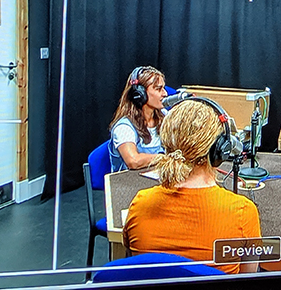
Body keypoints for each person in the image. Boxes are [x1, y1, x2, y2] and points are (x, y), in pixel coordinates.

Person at [123, 99, 261, 274]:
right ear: (219, 150)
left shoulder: (140, 204)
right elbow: (248, 281)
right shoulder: (243, 212)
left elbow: (129, 267)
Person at [108, 66, 168, 172]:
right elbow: (133, 161)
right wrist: (166, 158)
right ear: (140, 94)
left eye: (163, 88)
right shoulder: (124, 127)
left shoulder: (164, 115)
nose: (165, 94)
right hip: (130, 185)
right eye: (158, 89)